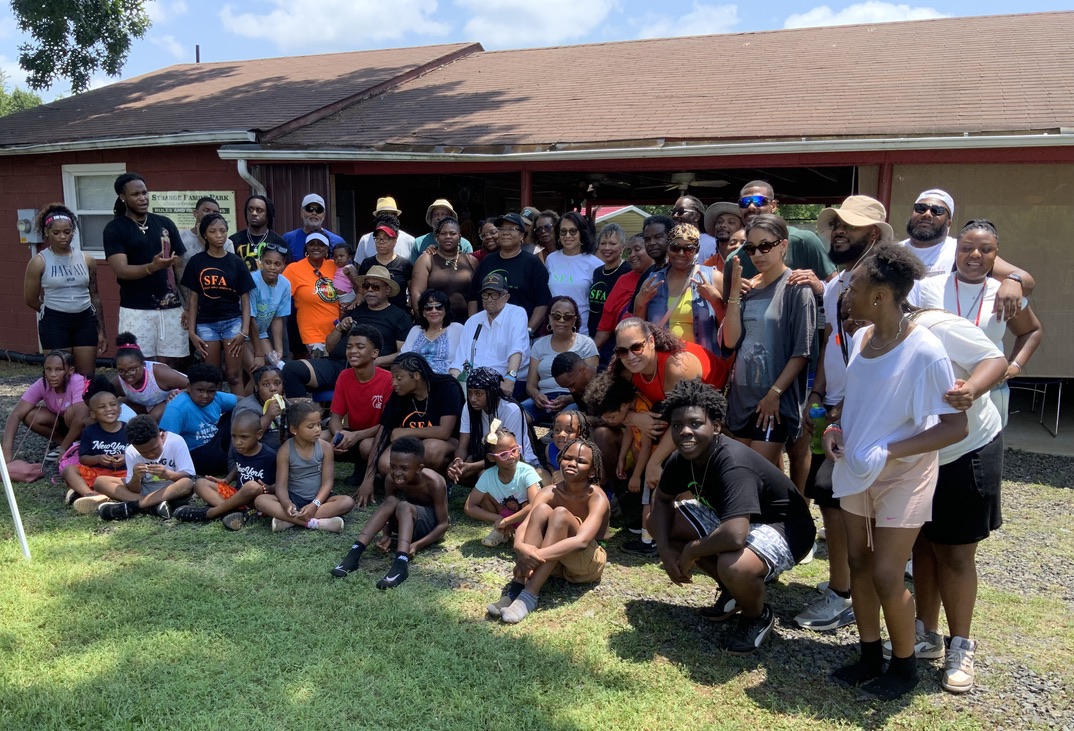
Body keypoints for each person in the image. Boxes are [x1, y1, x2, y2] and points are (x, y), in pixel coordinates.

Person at [824, 245, 968, 701]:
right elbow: (856, 402)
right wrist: (834, 428)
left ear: (881, 296)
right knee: (859, 563)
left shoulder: (925, 350)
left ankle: (904, 667)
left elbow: (954, 426)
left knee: (887, 573)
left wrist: (888, 451)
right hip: (856, 467)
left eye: (854, 287)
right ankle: (870, 655)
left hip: (903, 475)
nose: (847, 293)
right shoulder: (863, 339)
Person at [649, 380, 816, 654]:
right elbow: (663, 501)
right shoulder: (682, 459)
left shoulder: (733, 462)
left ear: (716, 426)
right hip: (739, 520)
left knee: (735, 566)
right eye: (677, 425)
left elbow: (735, 535)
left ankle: (756, 616)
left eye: (695, 423)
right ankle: (733, 592)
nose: (685, 432)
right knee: (660, 525)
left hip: (787, 529)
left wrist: (692, 550)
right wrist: (665, 550)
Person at [900, 306, 1008, 694]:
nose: (852, 323)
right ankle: (926, 634)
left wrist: (970, 390)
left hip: (966, 449)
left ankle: (961, 646)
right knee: (922, 546)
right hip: (920, 456)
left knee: (956, 553)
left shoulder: (936, 326)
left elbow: (995, 360)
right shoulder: (869, 340)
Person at [918, 219, 1043, 424]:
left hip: (990, 394)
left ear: (996, 254)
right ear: (956, 250)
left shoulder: (1005, 293)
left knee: (988, 442)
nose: (975, 254)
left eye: (986, 249)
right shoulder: (927, 288)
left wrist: (1015, 365)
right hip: (937, 393)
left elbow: (1031, 331)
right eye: (966, 248)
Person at [719, 214, 816, 467]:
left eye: (765, 246)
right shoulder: (747, 288)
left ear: (783, 245)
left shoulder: (797, 287)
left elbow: (802, 351)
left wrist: (774, 394)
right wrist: (733, 294)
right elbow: (730, 341)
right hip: (742, 399)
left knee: (752, 472)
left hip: (774, 402)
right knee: (741, 473)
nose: (757, 254)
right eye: (751, 248)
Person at [486, 437, 610, 624]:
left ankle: (529, 595)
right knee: (541, 510)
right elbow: (526, 524)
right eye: (567, 458)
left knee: (560, 514)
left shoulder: (596, 496)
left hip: (585, 565)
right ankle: (516, 589)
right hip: (553, 563)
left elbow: (582, 541)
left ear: (592, 471)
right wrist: (520, 548)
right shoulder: (549, 491)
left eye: (581, 461)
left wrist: (532, 556)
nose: (572, 463)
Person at [612, 318, 730, 490]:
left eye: (636, 347)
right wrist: (633, 418)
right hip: (671, 417)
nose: (630, 356)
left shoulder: (677, 367)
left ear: (651, 341)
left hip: (717, 414)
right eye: (622, 351)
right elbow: (605, 406)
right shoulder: (627, 370)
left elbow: (685, 420)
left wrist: (654, 462)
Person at [331, 436, 450, 588]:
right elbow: (388, 511)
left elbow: (443, 525)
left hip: (428, 528)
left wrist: (416, 545)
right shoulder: (390, 479)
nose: (397, 473)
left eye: (404, 468)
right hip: (406, 523)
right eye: (393, 466)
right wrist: (386, 534)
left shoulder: (434, 482)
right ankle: (354, 554)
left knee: (404, 506)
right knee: (391, 501)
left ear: (419, 468)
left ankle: (401, 564)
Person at [899, 189, 1034, 322]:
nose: (927, 214)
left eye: (937, 211)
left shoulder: (962, 251)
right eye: (921, 208)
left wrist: (1013, 281)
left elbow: (1025, 279)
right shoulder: (895, 252)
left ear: (949, 222)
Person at [354, 353, 463, 507]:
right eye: (393, 378)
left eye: (399, 378)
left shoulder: (447, 387)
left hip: (444, 443)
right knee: (383, 463)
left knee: (431, 449)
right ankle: (411, 486)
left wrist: (405, 432)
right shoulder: (399, 394)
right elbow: (383, 432)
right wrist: (368, 479)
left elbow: (445, 431)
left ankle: (439, 483)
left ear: (416, 375)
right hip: (410, 444)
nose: (394, 383)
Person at [102, 173, 188, 366]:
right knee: (140, 364)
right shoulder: (115, 229)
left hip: (171, 308)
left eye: (144, 193)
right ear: (122, 197)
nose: (142, 198)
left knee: (172, 364)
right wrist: (152, 267)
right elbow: (121, 270)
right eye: (135, 194)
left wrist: (189, 306)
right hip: (136, 309)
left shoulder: (165, 223)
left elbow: (180, 269)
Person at [23, 203, 106, 376]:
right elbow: (30, 299)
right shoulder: (39, 262)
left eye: (67, 232)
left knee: (86, 376)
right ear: (46, 232)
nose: (62, 237)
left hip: (84, 320)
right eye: (56, 232)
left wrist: (101, 331)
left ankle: (83, 396)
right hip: (55, 322)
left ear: (73, 232)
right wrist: (50, 311)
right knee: (60, 375)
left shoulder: (87, 259)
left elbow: (95, 295)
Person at [181, 212, 255, 394]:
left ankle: (239, 409)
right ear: (204, 235)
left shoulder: (236, 262)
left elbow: (245, 299)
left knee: (234, 375)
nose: (219, 235)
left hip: (232, 322)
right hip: (206, 324)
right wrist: (192, 332)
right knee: (213, 376)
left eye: (223, 230)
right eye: (213, 231)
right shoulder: (196, 262)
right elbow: (193, 300)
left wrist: (244, 330)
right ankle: (216, 410)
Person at [254, 401, 353, 532]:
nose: (317, 429)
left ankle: (289, 520)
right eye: (311, 426)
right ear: (294, 430)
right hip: (294, 498)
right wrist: (286, 503)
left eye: (319, 424)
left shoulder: (325, 447)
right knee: (260, 500)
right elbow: (281, 486)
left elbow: (328, 483)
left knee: (347, 502)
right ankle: (318, 523)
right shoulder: (285, 451)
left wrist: (315, 504)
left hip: (320, 500)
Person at [585, 371, 655, 554]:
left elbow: (647, 446)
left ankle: (649, 541)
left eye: (611, 417)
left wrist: (637, 475)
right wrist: (622, 457)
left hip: (651, 461)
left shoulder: (642, 410)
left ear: (623, 406)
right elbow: (631, 431)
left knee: (649, 498)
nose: (609, 421)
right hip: (641, 456)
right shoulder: (631, 411)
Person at [176, 409, 279, 530]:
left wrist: (270, 488)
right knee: (200, 483)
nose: (238, 442)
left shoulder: (270, 456)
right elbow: (238, 467)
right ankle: (234, 512)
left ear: (259, 435)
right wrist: (227, 480)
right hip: (237, 495)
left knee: (252, 486)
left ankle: (210, 513)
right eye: (234, 436)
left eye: (244, 437)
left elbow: (282, 481)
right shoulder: (238, 451)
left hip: (257, 500)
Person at [448, 367, 543, 487]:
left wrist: (471, 467)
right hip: (487, 456)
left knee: (483, 475)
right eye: (470, 393)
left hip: (513, 460)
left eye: (478, 394)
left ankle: (495, 489)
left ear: (491, 392)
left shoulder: (511, 410)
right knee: (453, 470)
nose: (472, 399)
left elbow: (509, 454)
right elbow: (462, 445)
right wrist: (458, 461)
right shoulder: (469, 407)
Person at [635, 223, 722, 352]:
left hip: (701, 359)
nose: (681, 253)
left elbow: (727, 327)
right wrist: (640, 302)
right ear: (667, 248)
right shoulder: (653, 281)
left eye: (688, 249)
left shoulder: (713, 278)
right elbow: (638, 328)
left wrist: (715, 300)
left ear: (696, 250)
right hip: (663, 358)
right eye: (675, 248)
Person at [92, 413, 196, 521]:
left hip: (170, 489)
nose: (150, 455)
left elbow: (188, 475)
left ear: (161, 436)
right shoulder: (131, 451)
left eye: (154, 448)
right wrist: (136, 478)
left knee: (186, 483)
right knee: (100, 482)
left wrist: (167, 474)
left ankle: (134, 506)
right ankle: (153, 506)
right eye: (143, 452)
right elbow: (134, 489)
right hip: (146, 488)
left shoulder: (175, 441)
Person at [450, 273, 530, 397]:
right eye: (485, 294)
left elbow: (517, 350)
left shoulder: (516, 314)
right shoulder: (473, 321)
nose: (489, 299)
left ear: (506, 297)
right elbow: (459, 361)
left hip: (503, 380)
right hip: (474, 384)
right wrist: (453, 385)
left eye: (494, 294)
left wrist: (510, 379)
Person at [327, 326, 394, 471]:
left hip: (376, 436)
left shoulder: (389, 379)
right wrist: (339, 434)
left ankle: (367, 472)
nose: (352, 351)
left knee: (366, 445)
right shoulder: (344, 376)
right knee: (320, 438)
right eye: (349, 347)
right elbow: (335, 417)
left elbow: (387, 425)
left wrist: (356, 435)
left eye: (360, 347)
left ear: (375, 353)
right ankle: (316, 478)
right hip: (351, 433)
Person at [2, 350, 88, 463]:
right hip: (62, 423)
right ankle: (68, 445)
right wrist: (6, 455)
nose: (52, 374)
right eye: (48, 369)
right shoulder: (43, 383)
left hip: (83, 426)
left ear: (71, 370)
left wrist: (63, 450)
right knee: (31, 416)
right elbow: (15, 414)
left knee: (71, 412)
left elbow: (81, 418)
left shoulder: (77, 380)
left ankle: (76, 445)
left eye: (59, 369)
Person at [523, 296, 598, 425]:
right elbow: (530, 385)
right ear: (549, 318)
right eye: (556, 316)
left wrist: (569, 398)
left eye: (567, 317)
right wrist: (537, 396)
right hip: (544, 399)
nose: (561, 320)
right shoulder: (539, 345)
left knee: (565, 421)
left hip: (574, 399)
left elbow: (592, 383)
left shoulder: (586, 344)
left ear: (574, 320)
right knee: (517, 415)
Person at [470, 214, 550, 334]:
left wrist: (528, 330)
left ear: (522, 235)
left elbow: (543, 302)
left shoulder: (532, 263)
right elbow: (472, 297)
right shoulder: (487, 261)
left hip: (519, 331)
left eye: (511, 229)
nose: (505, 232)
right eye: (501, 229)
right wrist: (474, 326)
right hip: (487, 331)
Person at [465, 429, 543, 547]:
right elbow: (469, 507)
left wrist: (506, 521)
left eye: (514, 450)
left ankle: (511, 532)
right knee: (484, 495)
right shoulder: (488, 476)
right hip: (506, 517)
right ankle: (503, 531)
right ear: (491, 457)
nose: (511, 456)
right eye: (503, 454)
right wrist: (498, 518)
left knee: (524, 545)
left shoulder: (527, 472)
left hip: (531, 520)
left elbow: (535, 505)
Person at [159, 363, 237, 476]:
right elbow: (166, 442)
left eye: (210, 391)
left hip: (215, 440)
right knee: (215, 458)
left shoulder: (217, 397)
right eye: (200, 390)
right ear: (189, 387)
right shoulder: (177, 408)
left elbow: (243, 402)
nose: (205, 396)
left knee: (237, 413)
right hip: (195, 452)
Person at [64, 376, 128, 513]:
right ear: (93, 414)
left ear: (120, 409)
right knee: (69, 470)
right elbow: (83, 458)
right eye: (102, 407)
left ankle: (94, 494)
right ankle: (91, 495)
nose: (109, 409)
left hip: (123, 474)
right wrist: (98, 459)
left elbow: (140, 454)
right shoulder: (89, 431)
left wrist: (126, 457)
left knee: (141, 474)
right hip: (98, 473)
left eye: (113, 405)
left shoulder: (128, 429)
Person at [409, 216, 479, 323]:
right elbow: (417, 292)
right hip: (434, 322)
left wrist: (473, 323)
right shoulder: (426, 259)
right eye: (443, 233)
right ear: (437, 238)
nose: (448, 237)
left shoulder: (471, 261)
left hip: (466, 322)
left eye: (452, 233)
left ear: (459, 237)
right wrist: (422, 320)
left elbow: (476, 295)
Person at [545, 211, 602, 336]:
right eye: (563, 231)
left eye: (573, 231)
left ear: (582, 233)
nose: (567, 235)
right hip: (554, 329)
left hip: (581, 331)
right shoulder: (551, 259)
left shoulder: (595, 264)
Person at [593, 234, 652, 353]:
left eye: (637, 249)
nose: (632, 255)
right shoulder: (623, 280)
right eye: (629, 252)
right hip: (622, 349)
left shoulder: (663, 277)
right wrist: (589, 352)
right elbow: (606, 323)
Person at [282, 231, 338, 358]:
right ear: (306, 247)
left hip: (338, 331)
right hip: (313, 334)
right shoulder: (294, 269)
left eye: (321, 244)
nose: (316, 247)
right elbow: (279, 296)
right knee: (321, 366)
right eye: (312, 244)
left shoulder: (334, 266)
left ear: (327, 249)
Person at [111, 333, 188, 421]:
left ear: (143, 364)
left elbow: (193, 384)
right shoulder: (118, 382)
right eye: (121, 370)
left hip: (170, 400)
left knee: (153, 417)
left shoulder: (159, 373)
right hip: (148, 404)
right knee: (118, 406)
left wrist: (179, 394)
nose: (128, 375)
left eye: (132, 369)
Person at [245, 242, 291, 374]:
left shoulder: (285, 284)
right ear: (261, 261)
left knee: (273, 369)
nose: (272, 267)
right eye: (268, 262)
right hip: (242, 333)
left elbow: (277, 318)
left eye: (277, 264)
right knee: (257, 371)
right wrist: (259, 353)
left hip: (261, 333)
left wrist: (279, 350)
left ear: (283, 265)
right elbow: (251, 319)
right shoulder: (253, 281)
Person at [400, 289, 465, 375]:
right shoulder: (415, 330)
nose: (434, 311)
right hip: (415, 377)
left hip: (444, 378)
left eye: (439, 307)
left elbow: (465, 356)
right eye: (428, 308)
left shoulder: (457, 329)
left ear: (445, 311)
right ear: (423, 313)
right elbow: (403, 357)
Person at [587, 223, 630, 346]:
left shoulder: (627, 271)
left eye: (612, 244)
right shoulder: (597, 272)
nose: (607, 248)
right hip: (592, 333)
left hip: (615, 339)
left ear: (622, 247)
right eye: (603, 243)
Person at [177, 197, 233, 288]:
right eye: (206, 210)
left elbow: (228, 271)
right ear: (195, 213)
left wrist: (204, 241)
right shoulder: (181, 237)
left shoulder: (226, 242)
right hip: (187, 290)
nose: (211, 214)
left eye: (215, 212)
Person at [357, 218, 412, 311]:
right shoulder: (367, 263)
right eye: (378, 238)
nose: (381, 242)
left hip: (398, 313)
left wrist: (408, 309)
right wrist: (358, 304)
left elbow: (412, 292)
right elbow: (361, 291)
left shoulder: (404, 264)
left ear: (395, 240)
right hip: (371, 313)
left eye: (385, 238)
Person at [234, 365, 287, 450]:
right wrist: (268, 416)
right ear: (257, 387)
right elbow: (244, 437)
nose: (273, 388)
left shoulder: (283, 402)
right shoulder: (246, 407)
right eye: (266, 384)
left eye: (277, 383)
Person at [281, 193, 346, 262]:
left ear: (324, 215)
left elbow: (346, 266)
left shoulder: (337, 241)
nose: (314, 213)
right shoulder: (288, 239)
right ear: (302, 213)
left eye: (319, 210)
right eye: (310, 209)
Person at [230, 194, 285, 272]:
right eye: (250, 209)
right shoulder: (233, 241)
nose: (254, 213)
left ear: (268, 214)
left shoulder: (279, 242)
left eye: (259, 210)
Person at [354, 197, 416, 263]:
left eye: (391, 214)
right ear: (376, 217)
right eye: (383, 214)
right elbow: (359, 267)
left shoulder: (410, 241)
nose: (387, 218)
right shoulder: (365, 240)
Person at [670, 195, 717, 263]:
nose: (675, 215)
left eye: (681, 211)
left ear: (696, 216)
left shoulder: (712, 244)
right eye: (673, 212)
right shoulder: (670, 244)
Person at [702, 202, 744, 271]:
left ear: (742, 227)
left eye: (731, 222)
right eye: (719, 222)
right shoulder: (708, 264)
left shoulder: (750, 261)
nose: (723, 225)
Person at [331, 241, 358, 312]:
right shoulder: (336, 267)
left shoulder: (350, 267)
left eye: (341, 256)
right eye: (335, 257)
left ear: (349, 257)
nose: (338, 259)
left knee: (345, 312)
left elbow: (356, 282)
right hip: (338, 297)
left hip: (347, 296)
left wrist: (349, 275)